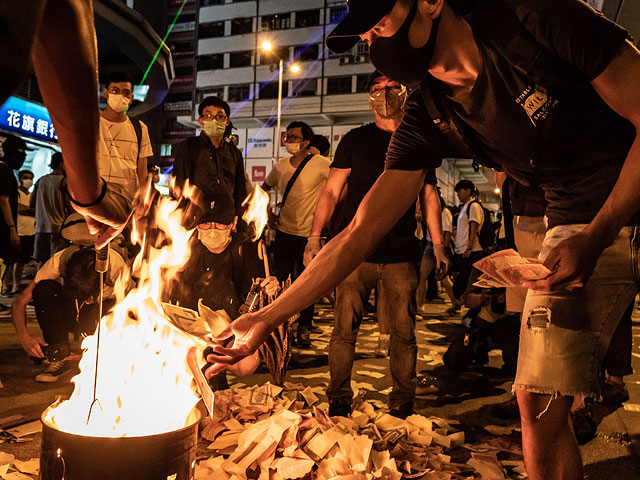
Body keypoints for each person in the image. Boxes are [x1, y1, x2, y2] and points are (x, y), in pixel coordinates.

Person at [207, 2, 640, 478]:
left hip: (620, 200)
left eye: (380, 25)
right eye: (367, 38)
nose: (374, 45)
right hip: (575, 221)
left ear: (430, 3)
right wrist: (267, 318)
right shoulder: (428, 116)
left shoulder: (530, 18)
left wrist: (600, 234)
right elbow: (358, 233)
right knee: (537, 397)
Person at [304, 70, 446, 418]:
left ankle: (402, 402)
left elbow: (430, 196)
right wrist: (313, 237)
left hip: (401, 255)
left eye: (393, 86)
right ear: (369, 98)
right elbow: (331, 192)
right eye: (376, 88)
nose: (384, 93)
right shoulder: (355, 140)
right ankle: (338, 398)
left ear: (404, 92)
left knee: (403, 334)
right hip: (354, 253)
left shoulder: (418, 140)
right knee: (342, 332)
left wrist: (438, 244)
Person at [0, 2, 131, 247]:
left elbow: (61, 14)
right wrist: (88, 193)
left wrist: (88, 193)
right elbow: (65, 13)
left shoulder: (137, 130)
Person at [167, 213, 278, 389]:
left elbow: (256, 297)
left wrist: (269, 289)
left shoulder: (246, 249)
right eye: (206, 224)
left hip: (227, 332)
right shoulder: (183, 247)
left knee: (247, 363)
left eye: (218, 223)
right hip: (188, 332)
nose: (212, 230)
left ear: (233, 222)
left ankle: (216, 374)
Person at [261, 122, 331, 348]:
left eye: (294, 137)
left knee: (306, 284)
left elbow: (337, 187)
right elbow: (263, 190)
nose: (289, 141)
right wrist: (268, 214)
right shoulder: (280, 166)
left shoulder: (322, 164)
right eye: (287, 137)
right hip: (284, 232)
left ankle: (304, 327)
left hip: (311, 236)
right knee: (281, 282)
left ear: (306, 142)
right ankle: (282, 326)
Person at [12, 245, 127, 382]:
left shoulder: (117, 269)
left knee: (112, 307)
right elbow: (19, 302)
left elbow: (130, 317)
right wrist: (25, 338)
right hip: (71, 312)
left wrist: (93, 352)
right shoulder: (59, 261)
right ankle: (58, 351)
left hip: (99, 314)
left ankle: (97, 359)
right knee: (44, 288)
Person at [172, 96, 248, 231]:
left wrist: (241, 222)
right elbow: (179, 184)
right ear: (201, 120)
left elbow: (240, 190)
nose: (214, 120)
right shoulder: (189, 147)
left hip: (225, 221)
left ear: (227, 121)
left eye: (220, 116)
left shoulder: (234, 153)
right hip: (196, 221)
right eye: (208, 115)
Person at [99, 73, 153, 204]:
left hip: (127, 202)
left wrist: (143, 202)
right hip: (97, 200)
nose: (120, 96)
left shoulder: (140, 128)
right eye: (115, 91)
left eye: (126, 93)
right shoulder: (92, 123)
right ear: (106, 93)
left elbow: (142, 172)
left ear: (131, 98)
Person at [0, 135, 30, 298]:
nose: (23, 156)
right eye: (21, 152)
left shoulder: (6, 170)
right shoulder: (4, 170)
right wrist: (12, 230)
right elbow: (3, 200)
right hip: (3, 229)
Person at [416, 190, 455, 312]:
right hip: (430, 245)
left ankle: (456, 301)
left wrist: (444, 250)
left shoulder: (444, 213)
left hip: (439, 247)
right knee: (425, 276)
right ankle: (419, 304)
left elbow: (447, 233)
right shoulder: (433, 211)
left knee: (443, 278)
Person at [32, 152, 70, 265]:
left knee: (41, 263)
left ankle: (39, 282)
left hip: (41, 228)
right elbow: (70, 206)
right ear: (61, 164)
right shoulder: (65, 182)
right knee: (55, 264)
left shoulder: (40, 181)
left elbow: (32, 203)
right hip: (58, 229)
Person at [451, 180, 484, 303]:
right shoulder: (464, 207)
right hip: (462, 250)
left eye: (460, 191)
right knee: (460, 283)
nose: (458, 194)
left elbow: (474, 227)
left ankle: (468, 310)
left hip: (471, 251)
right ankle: (460, 306)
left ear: (468, 191)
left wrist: (469, 247)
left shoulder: (473, 206)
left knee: (466, 284)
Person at [5, 170, 36, 295]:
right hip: (18, 232)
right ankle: (6, 286)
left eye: (30, 178)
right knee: (11, 261)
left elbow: (35, 209)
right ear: (20, 179)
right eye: (25, 178)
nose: (28, 180)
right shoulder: (15, 193)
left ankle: (16, 286)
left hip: (30, 232)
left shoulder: (31, 195)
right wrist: (30, 210)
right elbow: (16, 207)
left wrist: (27, 210)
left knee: (21, 262)